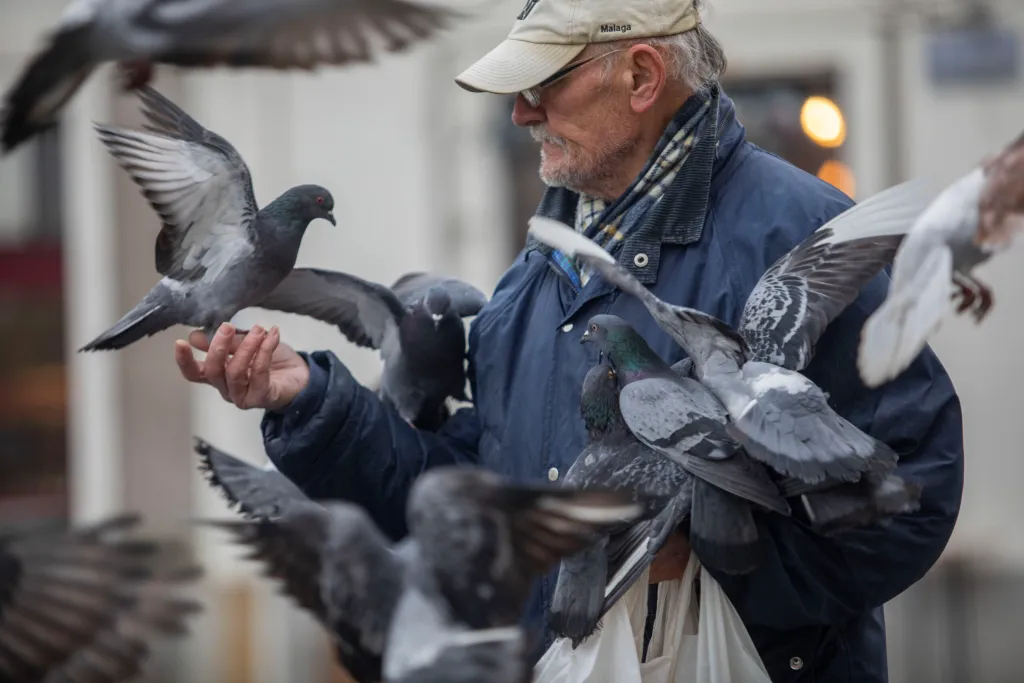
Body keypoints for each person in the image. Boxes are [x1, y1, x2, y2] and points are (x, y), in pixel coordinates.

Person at [173, 0, 965, 680]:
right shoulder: (537, 273)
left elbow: (915, 489)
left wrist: (711, 569)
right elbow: (482, 496)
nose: (520, 112)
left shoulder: (792, 230)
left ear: (642, 76)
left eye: (543, 83)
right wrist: (316, 404)